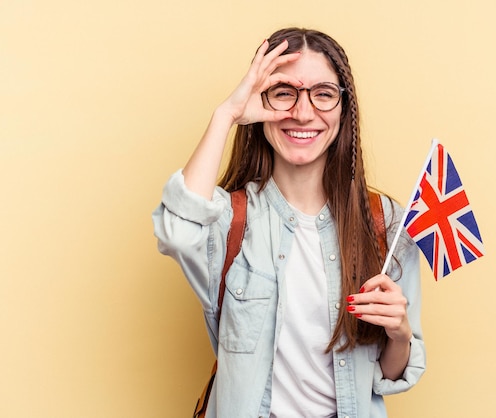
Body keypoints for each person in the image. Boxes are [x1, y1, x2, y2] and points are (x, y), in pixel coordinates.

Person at [152, 27, 425, 418]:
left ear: (344, 109)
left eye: (323, 94)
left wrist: (399, 334)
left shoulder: (385, 223)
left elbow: (388, 375)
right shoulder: (230, 222)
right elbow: (178, 232)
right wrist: (226, 114)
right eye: (284, 92)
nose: (302, 112)